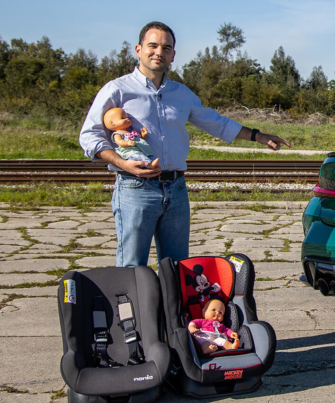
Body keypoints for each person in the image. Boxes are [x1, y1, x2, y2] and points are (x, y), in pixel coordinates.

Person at [79, 21, 291, 267]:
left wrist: (259, 136)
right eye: (153, 45)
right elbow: (89, 136)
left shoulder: (181, 93)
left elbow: (217, 123)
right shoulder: (117, 90)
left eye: (166, 48)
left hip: (176, 190)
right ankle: (134, 308)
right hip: (135, 189)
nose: (159, 52)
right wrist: (123, 163)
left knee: (177, 269)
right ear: (138, 49)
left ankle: (171, 308)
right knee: (131, 270)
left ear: (173, 55)